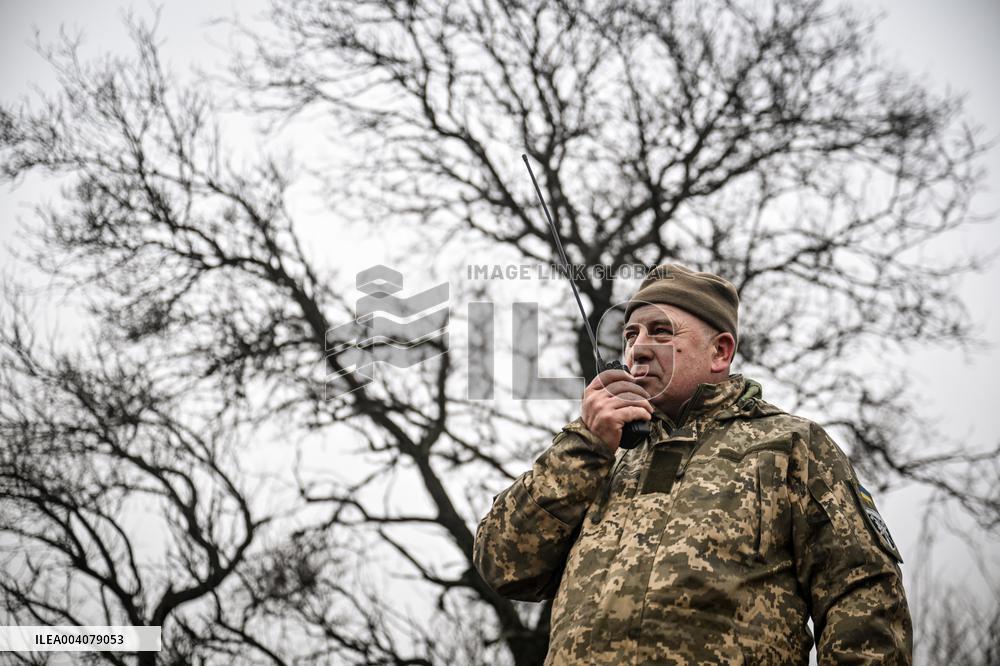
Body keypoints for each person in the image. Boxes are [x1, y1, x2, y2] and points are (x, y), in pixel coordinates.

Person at [473, 264, 912, 664]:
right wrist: (587, 444)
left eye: (661, 332)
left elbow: (865, 600)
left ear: (720, 352)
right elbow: (503, 565)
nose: (638, 350)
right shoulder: (599, 455)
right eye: (630, 335)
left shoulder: (789, 446)